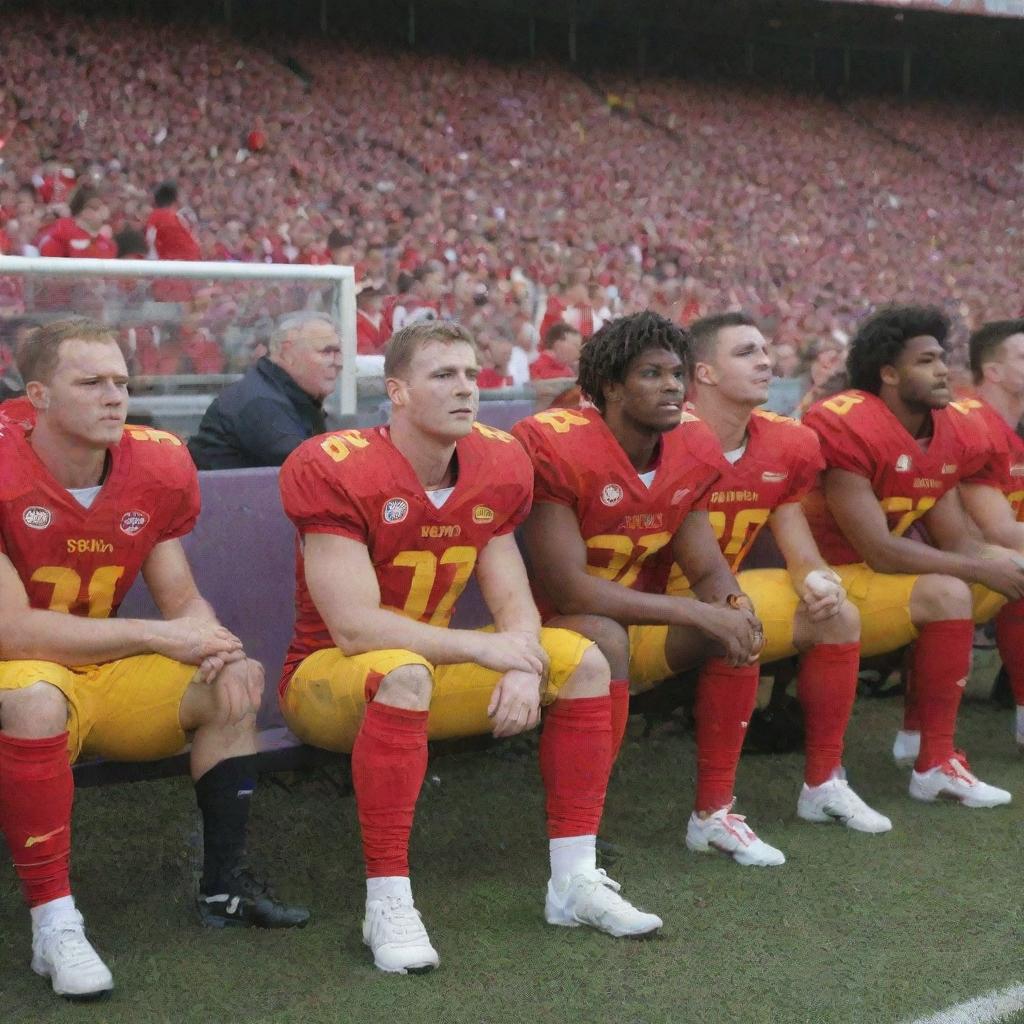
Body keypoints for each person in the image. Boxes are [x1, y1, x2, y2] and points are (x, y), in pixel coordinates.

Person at [277, 320, 662, 975]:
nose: (466, 389)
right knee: (401, 672)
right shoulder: (335, 465)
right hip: (331, 679)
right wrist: (489, 654)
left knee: (585, 661)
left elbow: (513, 600)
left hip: (435, 668)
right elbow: (354, 628)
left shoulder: (497, 460)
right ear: (396, 391)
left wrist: (522, 660)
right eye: (442, 375)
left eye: (471, 374)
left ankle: (574, 881)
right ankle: (388, 901)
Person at [0, 318, 308, 1000]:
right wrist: (158, 638)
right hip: (18, 674)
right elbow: (13, 633)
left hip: (98, 674)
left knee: (226, 684)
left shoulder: (155, 464)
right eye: (91, 383)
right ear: (38, 396)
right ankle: (55, 922)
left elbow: (183, 603)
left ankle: (224, 889)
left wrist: (220, 648)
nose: (114, 397)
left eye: (121, 381)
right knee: (33, 698)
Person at [512, 312, 780, 867]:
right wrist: (694, 613)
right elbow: (569, 591)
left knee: (739, 627)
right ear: (610, 386)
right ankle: (580, 821)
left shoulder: (689, 445)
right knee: (605, 635)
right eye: (651, 374)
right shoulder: (555, 443)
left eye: (677, 374)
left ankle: (714, 814)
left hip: (636, 627)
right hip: (546, 631)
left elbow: (707, 566)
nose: (673, 388)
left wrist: (731, 606)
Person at [801, 305, 1024, 807]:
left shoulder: (945, 429)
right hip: (827, 575)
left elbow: (958, 542)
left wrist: (1004, 563)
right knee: (952, 586)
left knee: (992, 575)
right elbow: (878, 549)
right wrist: (980, 566)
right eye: (926, 360)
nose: (944, 369)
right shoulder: (850, 423)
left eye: (943, 358)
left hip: (878, 579)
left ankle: (922, 743)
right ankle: (932, 759)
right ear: (888, 373)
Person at [676, 313, 889, 833]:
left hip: (720, 594)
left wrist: (817, 581)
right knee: (741, 618)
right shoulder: (667, 435)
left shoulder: (784, 442)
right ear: (703, 373)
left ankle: (824, 784)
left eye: (765, 350)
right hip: (654, 599)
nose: (767, 361)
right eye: (747, 352)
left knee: (837, 616)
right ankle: (712, 812)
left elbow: (800, 549)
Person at [953, 319, 1024, 746]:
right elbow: (994, 527)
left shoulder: (1005, 426)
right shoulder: (973, 422)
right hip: (942, 560)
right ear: (993, 372)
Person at [188, 311, 341, 470]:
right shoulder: (260, 402)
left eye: (338, 352)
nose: (338, 362)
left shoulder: (293, 395)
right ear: (288, 352)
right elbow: (315, 471)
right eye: (326, 352)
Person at [37, 185, 116, 260]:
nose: (103, 210)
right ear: (85, 212)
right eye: (96, 208)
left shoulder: (108, 244)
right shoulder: (62, 229)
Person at [145, 181, 201, 262]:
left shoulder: (156, 216)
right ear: (176, 198)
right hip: (171, 269)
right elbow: (189, 253)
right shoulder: (168, 218)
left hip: (162, 266)